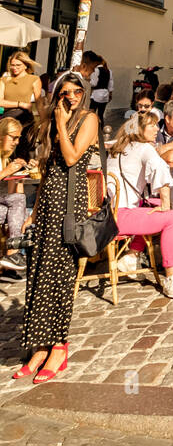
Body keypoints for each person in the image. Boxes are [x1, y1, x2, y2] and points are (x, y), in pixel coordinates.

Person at [14, 71, 99, 383]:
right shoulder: (53, 121)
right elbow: (49, 168)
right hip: (48, 202)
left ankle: (59, 348)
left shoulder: (88, 119)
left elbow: (72, 156)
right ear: (57, 95)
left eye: (77, 92)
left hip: (69, 208)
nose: (72, 97)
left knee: (59, 277)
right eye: (65, 92)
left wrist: (62, 125)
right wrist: (34, 212)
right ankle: (39, 347)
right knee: (38, 275)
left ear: (84, 93)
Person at [107, 114, 173, 298]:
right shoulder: (144, 148)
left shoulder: (117, 147)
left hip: (109, 213)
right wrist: (166, 204)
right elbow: (161, 170)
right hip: (123, 216)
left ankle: (132, 255)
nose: (157, 129)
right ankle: (172, 278)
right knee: (172, 217)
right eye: (152, 125)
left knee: (151, 205)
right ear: (139, 130)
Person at [0, 117, 30, 277]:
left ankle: (13, 262)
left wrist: (19, 177)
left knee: (26, 213)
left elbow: (13, 195)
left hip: (3, 207)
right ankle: (13, 254)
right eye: (13, 137)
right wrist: (5, 172)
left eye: (18, 138)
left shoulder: (5, 158)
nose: (17, 142)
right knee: (21, 206)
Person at [0, 51, 43, 123]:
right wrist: (21, 104)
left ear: (25, 65)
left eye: (18, 65)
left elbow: (39, 102)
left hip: (24, 117)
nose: (14, 67)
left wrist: (43, 120)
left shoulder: (34, 79)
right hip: (7, 117)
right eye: (12, 65)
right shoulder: (4, 80)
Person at [85, 52, 113, 122]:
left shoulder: (96, 70)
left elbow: (94, 83)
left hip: (96, 94)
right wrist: (110, 94)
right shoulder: (109, 71)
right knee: (101, 114)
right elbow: (110, 84)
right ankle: (101, 128)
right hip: (105, 94)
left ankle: (92, 127)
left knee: (91, 113)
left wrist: (87, 80)